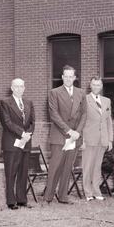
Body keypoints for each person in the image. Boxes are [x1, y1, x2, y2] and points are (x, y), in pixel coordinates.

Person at [44, 65, 87, 204]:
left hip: (74, 137)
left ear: (75, 78)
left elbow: (84, 114)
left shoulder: (81, 93)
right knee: (55, 167)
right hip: (60, 135)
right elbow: (54, 115)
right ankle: (48, 196)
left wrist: (77, 132)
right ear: (62, 77)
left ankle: (63, 196)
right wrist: (69, 131)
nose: (68, 79)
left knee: (68, 167)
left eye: (71, 76)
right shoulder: (54, 92)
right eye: (66, 76)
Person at [0, 78, 35, 209]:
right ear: (12, 88)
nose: (19, 89)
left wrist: (28, 135)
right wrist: (22, 134)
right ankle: (11, 201)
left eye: (22, 86)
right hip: (12, 143)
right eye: (17, 86)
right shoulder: (5, 103)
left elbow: (32, 122)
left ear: (24, 88)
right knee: (11, 172)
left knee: (23, 172)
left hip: (25, 143)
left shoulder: (29, 102)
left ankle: (21, 199)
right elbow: (7, 123)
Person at [82, 77, 113, 201]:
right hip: (89, 139)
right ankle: (88, 193)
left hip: (102, 139)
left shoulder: (106, 101)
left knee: (97, 167)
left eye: (98, 85)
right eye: (94, 85)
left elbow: (108, 121)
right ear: (90, 86)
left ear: (101, 86)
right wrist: (82, 139)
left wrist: (110, 139)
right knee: (87, 166)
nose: (96, 87)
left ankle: (96, 191)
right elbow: (81, 121)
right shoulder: (84, 100)